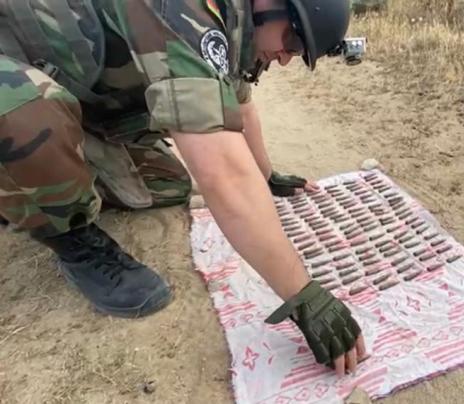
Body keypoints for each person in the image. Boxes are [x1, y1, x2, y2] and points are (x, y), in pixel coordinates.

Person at [0, 0, 366, 376]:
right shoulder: (179, 9)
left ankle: (37, 181)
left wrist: (267, 175)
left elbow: (239, 105)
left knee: (166, 183)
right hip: (12, 76)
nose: (286, 59)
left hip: (74, 93)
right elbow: (223, 174)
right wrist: (304, 295)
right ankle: (71, 237)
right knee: (22, 111)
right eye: (293, 42)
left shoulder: (235, 22)